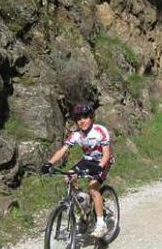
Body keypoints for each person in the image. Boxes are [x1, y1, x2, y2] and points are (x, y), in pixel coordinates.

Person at [40, 102, 113, 238]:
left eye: (85, 117)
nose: (82, 121)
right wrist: (49, 163)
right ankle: (84, 205)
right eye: (78, 119)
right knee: (68, 177)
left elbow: (107, 153)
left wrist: (100, 166)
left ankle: (101, 224)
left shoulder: (100, 131)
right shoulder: (76, 135)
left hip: (103, 161)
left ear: (91, 117)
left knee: (93, 188)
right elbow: (63, 150)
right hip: (87, 160)